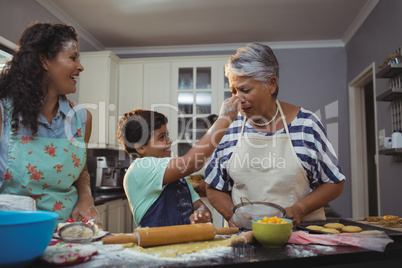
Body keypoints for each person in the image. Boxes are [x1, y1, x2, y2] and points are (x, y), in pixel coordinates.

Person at [204, 43, 345, 227]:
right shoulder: (229, 127)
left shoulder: (306, 124)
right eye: (233, 91)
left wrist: (300, 209)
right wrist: (232, 216)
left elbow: (334, 182)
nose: (238, 99)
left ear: (271, 84)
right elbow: (214, 187)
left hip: (300, 236)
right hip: (244, 239)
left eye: (245, 90)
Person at [0, 22, 99, 225]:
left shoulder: (82, 118)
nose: (80, 67)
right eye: (73, 58)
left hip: (70, 231)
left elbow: (82, 170)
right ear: (44, 60)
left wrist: (86, 197)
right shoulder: (3, 113)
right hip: (17, 234)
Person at [117, 96, 239, 228]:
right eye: (161, 137)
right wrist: (224, 119)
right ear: (140, 147)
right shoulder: (139, 168)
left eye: (167, 135)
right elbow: (191, 163)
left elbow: (200, 207)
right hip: (156, 247)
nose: (169, 141)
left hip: (184, 246)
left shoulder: (179, 180)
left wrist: (201, 215)